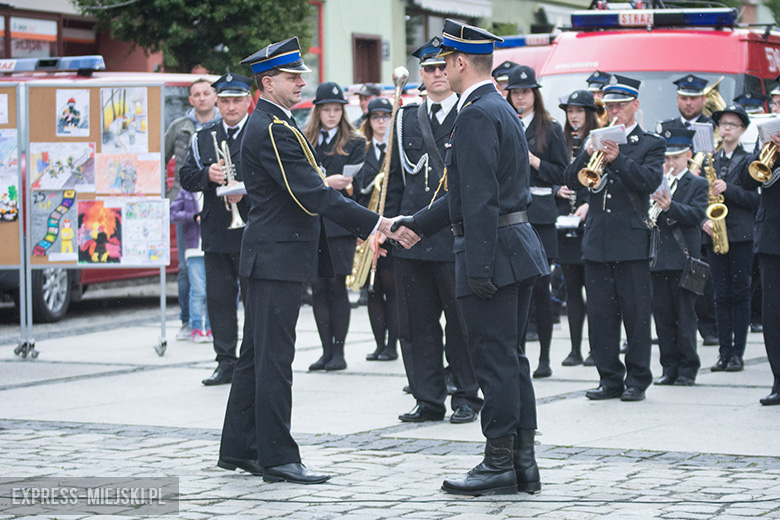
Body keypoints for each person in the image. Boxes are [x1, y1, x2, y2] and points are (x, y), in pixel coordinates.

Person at [217, 37, 418, 485]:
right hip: (275, 259)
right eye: (292, 78)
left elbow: (305, 189)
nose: (299, 83)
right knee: (272, 360)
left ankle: (242, 448)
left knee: (256, 358)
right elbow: (311, 194)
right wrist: (378, 222)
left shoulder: (276, 123)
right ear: (268, 82)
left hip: (274, 256)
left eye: (299, 77)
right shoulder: (272, 127)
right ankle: (278, 458)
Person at [398, 19, 549, 496]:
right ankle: (522, 464)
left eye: (445, 61)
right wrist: (416, 225)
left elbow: (480, 200)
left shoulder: (478, 113)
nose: (442, 68)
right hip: (515, 246)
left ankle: (498, 461)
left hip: (494, 252)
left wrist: (478, 269)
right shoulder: (494, 107)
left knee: (494, 361)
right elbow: (465, 194)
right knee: (511, 359)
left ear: (461, 62)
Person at [385, 37, 482, 424]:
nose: (437, 74)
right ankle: (427, 397)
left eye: (443, 66)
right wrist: (388, 228)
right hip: (410, 237)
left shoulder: (471, 113)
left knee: (460, 324)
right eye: (429, 68)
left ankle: (466, 396)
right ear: (421, 76)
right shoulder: (404, 117)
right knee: (415, 324)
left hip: (454, 237)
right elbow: (394, 180)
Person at [565, 74, 665, 402]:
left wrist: (617, 159)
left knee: (635, 315)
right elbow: (572, 181)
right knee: (601, 315)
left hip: (632, 240)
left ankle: (637, 379)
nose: (614, 112)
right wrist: (587, 152)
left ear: (635, 105)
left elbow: (649, 181)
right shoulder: (594, 138)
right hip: (597, 240)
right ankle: (609, 378)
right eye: (609, 106)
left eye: (620, 106)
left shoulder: (651, 143)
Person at [180, 72, 252, 386]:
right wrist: (207, 175)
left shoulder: (259, 132)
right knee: (219, 300)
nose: (231, 107)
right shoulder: (203, 136)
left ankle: (251, 362)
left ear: (249, 101)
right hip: (217, 230)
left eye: (237, 100)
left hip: (251, 229)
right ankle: (225, 362)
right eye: (225, 101)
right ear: (217, 103)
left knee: (254, 301)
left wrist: (245, 188)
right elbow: (185, 176)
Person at [505, 65, 568, 379]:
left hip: (540, 214)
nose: (520, 97)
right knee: (514, 288)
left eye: (525, 91)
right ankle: (518, 354)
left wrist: (534, 160)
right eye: (515, 91)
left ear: (534, 94)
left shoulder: (550, 128)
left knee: (541, 288)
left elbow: (562, 173)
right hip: (511, 213)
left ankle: (544, 356)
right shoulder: (502, 121)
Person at [304, 81, 366, 371]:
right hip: (313, 222)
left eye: (336, 110)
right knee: (318, 288)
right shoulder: (306, 139)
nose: (331, 115)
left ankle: (338, 352)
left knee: (337, 287)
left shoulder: (354, 141)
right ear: (318, 112)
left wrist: (347, 185)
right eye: (326, 110)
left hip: (339, 224)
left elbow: (360, 181)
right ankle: (325, 350)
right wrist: (326, 183)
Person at [650, 128, 708, 386]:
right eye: (667, 158)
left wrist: (670, 206)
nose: (671, 163)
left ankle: (687, 368)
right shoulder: (657, 182)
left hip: (684, 259)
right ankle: (669, 367)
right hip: (660, 258)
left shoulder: (698, 183)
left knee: (685, 316)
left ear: (688, 155)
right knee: (662, 316)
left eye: (676, 157)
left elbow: (697, 215)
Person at [164, 79, 220, 342]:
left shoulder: (223, 123)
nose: (202, 98)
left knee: (217, 264)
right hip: (185, 202)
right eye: (196, 94)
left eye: (207, 93)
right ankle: (187, 321)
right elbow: (160, 159)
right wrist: (167, 197)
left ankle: (214, 321)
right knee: (187, 268)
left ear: (214, 96)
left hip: (216, 199)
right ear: (191, 100)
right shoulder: (179, 126)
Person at [705, 105, 759, 372]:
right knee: (720, 294)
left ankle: (737, 352)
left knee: (739, 294)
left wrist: (730, 189)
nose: (726, 128)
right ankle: (723, 352)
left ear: (742, 130)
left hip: (740, 235)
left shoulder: (750, 160)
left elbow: (755, 199)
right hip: (715, 233)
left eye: (733, 125)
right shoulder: (709, 160)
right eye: (723, 123)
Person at [354, 96, 401, 362]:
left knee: (391, 288)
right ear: (369, 121)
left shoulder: (397, 148)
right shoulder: (362, 150)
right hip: (369, 228)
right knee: (371, 289)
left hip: (391, 228)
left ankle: (392, 345)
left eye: (386, 116)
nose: (381, 122)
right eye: (376, 117)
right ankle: (378, 343)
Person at [556, 89, 599, 367]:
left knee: (594, 292)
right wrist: (555, 189)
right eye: (570, 111)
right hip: (566, 223)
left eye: (579, 111)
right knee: (571, 289)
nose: (574, 117)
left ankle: (597, 348)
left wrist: (589, 205)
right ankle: (574, 349)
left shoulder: (597, 141)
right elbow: (554, 172)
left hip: (590, 221)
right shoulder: (562, 140)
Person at [740, 131, 780, 405]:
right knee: (773, 314)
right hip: (771, 236)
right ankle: (778, 379)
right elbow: (746, 179)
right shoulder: (768, 136)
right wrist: (764, 152)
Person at [170, 187, 211, 343]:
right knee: (198, 291)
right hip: (194, 249)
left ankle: (210, 327)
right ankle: (195, 328)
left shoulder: (212, 189)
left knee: (210, 290)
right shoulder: (186, 192)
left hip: (210, 246)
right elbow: (172, 213)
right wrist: (193, 217)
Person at [657, 75, 714, 149]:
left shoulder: (713, 128)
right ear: (677, 99)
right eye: (683, 98)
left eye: (693, 98)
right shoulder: (665, 127)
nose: (688, 103)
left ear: (703, 99)